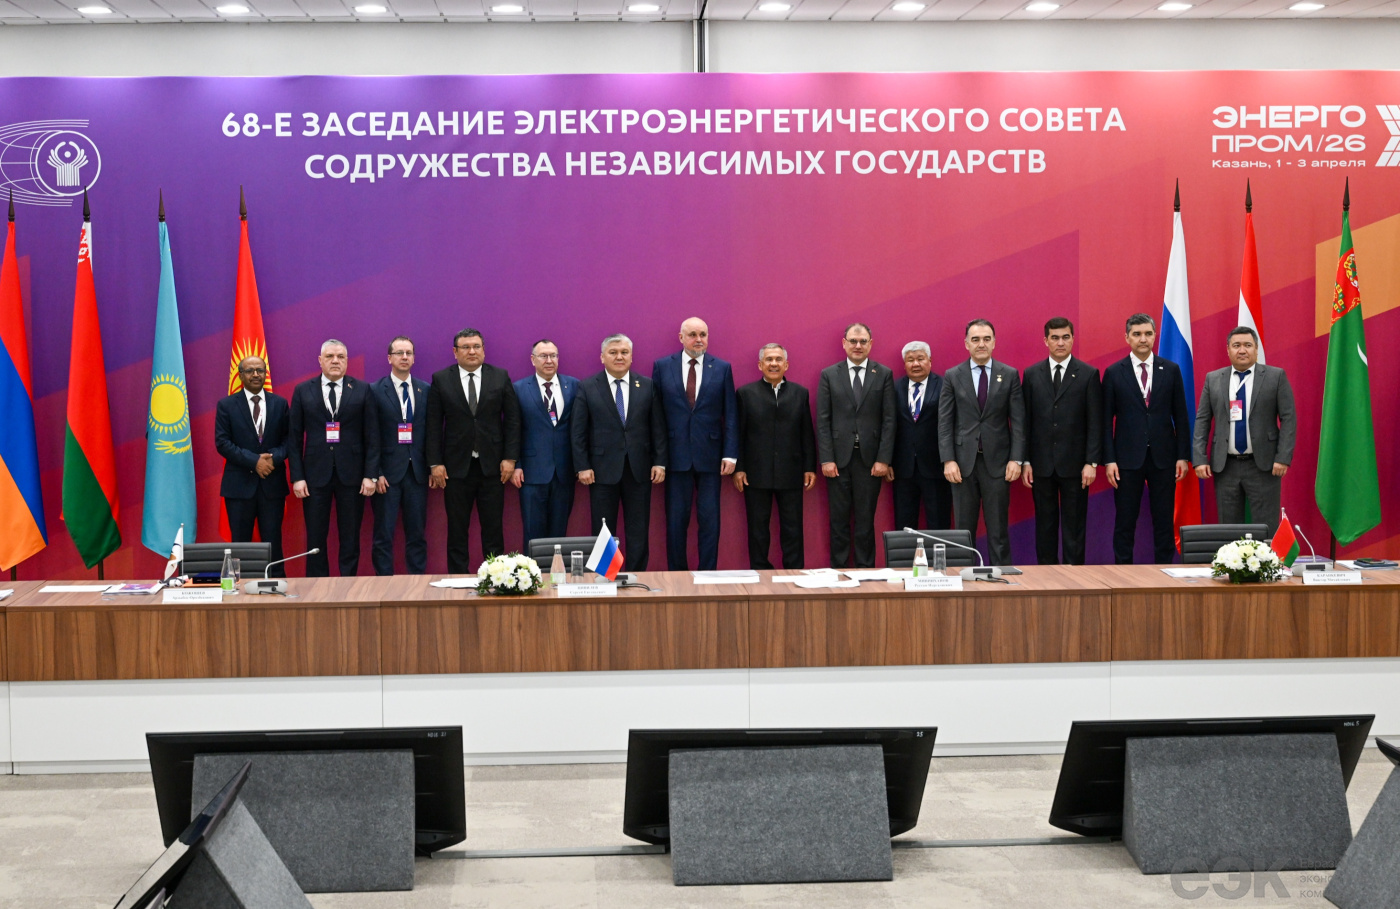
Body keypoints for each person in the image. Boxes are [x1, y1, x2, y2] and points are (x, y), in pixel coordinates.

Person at [426, 328, 521, 574]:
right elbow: (433, 424)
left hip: (494, 468)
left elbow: (512, 420)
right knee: (457, 529)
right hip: (455, 469)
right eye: (466, 347)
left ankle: (496, 577)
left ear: (483, 350)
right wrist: (435, 463)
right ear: (455, 352)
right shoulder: (441, 379)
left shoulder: (500, 376)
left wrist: (510, 458)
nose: (472, 351)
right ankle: (458, 577)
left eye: (476, 346)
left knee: (493, 529)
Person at [571, 333, 667, 572]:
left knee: (639, 528)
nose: (619, 357)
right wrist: (582, 466)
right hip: (600, 471)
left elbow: (658, 427)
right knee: (603, 530)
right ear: (602, 357)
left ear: (631, 357)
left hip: (639, 469)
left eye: (624, 352)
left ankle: (636, 576)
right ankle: (606, 575)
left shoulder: (647, 385)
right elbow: (578, 431)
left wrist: (660, 462)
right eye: (613, 352)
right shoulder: (587, 386)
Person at [1102, 313, 1191, 564]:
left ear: (1154, 336)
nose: (1143, 339)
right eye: (1137, 334)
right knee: (1125, 522)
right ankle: (1123, 572)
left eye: (1148, 334)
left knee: (1163, 521)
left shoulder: (1170, 370)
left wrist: (1182, 456)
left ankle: (1164, 570)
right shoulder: (1113, 372)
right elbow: (1105, 421)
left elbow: (1181, 416)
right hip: (1126, 460)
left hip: (1164, 458)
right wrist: (1109, 460)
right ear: (1127, 337)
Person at [1192, 326, 1296, 537]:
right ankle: (1233, 560)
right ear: (1228, 349)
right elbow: (1202, 420)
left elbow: (1289, 419)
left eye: (1248, 345)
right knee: (1229, 529)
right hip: (1225, 466)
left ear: (1256, 349)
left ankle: (1266, 560)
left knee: (1266, 528)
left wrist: (1283, 457)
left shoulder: (1275, 376)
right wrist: (1199, 459)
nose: (1242, 350)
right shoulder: (1213, 379)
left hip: (1264, 465)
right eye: (1236, 345)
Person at [937, 319, 1026, 567]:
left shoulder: (1009, 375)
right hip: (962, 465)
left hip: (998, 464)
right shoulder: (953, 376)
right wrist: (948, 460)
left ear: (994, 342)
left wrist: (1016, 459)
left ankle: (1002, 575)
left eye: (986, 339)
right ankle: (964, 577)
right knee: (963, 531)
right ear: (966, 344)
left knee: (998, 530)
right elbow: (945, 422)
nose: (981, 344)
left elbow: (1019, 422)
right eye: (975, 339)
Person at [287, 339, 379, 577]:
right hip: (314, 476)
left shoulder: (362, 389)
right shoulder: (303, 390)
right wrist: (297, 477)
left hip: (353, 476)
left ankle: (347, 585)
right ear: (320, 360)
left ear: (347, 361)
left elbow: (373, 436)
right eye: (330, 356)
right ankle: (317, 586)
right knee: (315, 537)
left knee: (350, 536)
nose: (335, 361)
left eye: (340, 357)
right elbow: (293, 439)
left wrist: (370, 475)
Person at [653, 317, 739, 571]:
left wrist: (730, 454)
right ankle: (677, 575)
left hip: (711, 457)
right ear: (681, 338)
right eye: (692, 334)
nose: (698, 339)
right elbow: (656, 416)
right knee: (675, 521)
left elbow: (730, 414)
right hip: (674, 456)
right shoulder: (662, 366)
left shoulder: (722, 368)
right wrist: (659, 458)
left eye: (703, 334)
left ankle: (707, 574)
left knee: (710, 521)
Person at [1021, 318, 1102, 565]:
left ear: (1072, 339)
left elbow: (1095, 422)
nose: (1060, 342)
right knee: (1044, 527)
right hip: (1041, 466)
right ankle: (1047, 577)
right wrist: (1025, 461)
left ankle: (1074, 576)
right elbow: (1025, 422)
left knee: (1074, 527)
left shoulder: (1088, 374)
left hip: (1076, 467)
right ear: (1045, 340)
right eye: (1055, 338)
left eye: (1065, 337)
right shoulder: (1031, 374)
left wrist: (1091, 462)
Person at [817, 322, 896, 568]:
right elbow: (823, 420)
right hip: (837, 461)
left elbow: (889, 420)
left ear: (870, 344)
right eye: (853, 341)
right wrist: (827, 458)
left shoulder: (883, 373)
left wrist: (883, 459)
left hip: (870, 461)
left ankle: (865, 570)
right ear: (844, 344)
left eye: (863, 341)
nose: (858, 346)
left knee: (865, 520)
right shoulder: (829, 374)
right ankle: (839, 570)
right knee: (838, 520)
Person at [733, 343, 817, 570]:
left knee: (793, 528)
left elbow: (806, 433)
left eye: (778, 359)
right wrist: (739, 468)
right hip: (755, 473)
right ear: (760, 365)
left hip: (792, 471)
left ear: (786, 365)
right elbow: (738, 433)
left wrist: (809, 467)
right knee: (757, 529)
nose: (774, 363)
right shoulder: (745, 394)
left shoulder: (800, 393)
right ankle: (761, 572)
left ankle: (794, 571)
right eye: (769, 359)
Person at [214, 355, 290, 575]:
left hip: (272, 485)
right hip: (239, 487)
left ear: (265, 374)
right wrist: (254, 461)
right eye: (250, 371)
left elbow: (289, 440)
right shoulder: (227, 405)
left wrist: (273, 458)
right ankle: (240, 587)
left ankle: (276, 586)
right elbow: (222, 443)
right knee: (240, 544)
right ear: (240, 375)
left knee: (273, 543)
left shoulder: (280, 403)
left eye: (260, 370)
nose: (256, 374)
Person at [512, 339, 579, 550]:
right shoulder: (518, 388)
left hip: (564, 472)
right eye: (543, 356)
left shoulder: (574, 386)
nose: (549, 360)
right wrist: (516, 464)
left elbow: (581, 428)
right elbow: (513, 430)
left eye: (553, 356)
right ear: (533, 360)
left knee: (559, 534)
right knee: (533, 534)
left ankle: (556, 571)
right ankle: (531, 571)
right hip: (531, 472)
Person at [370, 336, 429, 575]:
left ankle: (417, 583)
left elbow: (431, 432)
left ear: (413, 358)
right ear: (389, 358)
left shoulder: (425, 389)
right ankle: (384, 584)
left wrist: (432, 467)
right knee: (383, 535)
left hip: (417, 473)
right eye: (399, 353)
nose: (404, 357)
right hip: (387, 476)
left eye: (409, 353)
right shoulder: (375, 390)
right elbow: (370, 435)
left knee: (417, 534)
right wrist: (376, 472)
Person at [891, 341, 953, 534]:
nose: (916, 364)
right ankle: (907, 556)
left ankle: (939, 556)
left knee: (939, 523)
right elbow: (888, 426)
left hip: (936, 468)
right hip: (903, 469)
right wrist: (888, 461)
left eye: (920, 358)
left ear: (930, 360)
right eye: (910, 360)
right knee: (904, 526)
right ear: (904, 364)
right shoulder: (894, 387)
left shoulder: (944, 385)